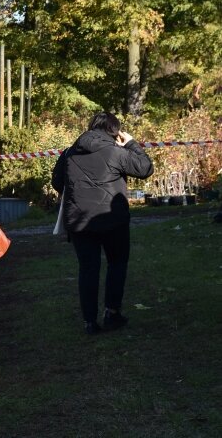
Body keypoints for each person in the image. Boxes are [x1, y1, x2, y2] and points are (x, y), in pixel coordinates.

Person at [51, 112, 154, 335]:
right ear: (115, 132)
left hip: (79, 221)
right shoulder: (116, 152)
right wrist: (132, 144)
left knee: (88, 270)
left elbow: (57, 181)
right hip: (112, 220)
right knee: (117, 264)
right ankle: (112, 312)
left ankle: (89, 321)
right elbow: (145, 168)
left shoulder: (69, 152)